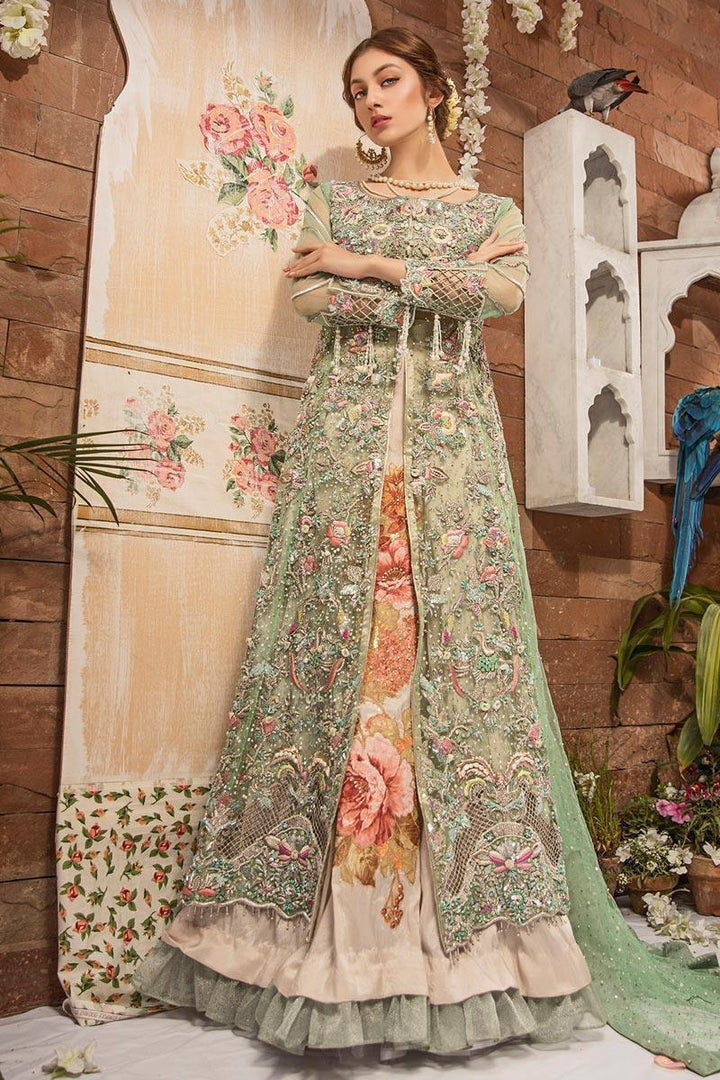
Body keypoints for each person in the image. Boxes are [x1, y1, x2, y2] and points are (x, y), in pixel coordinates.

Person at [132, 27, 720, 1073]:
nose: (371, 100)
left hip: (450, 479)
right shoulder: (338, 202)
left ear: (435, 90)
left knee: (455, 681)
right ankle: (316, 950)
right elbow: (318, 301)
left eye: (388, 80)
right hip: (344, 473)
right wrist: (419, 276)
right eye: (356, 88)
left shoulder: (490, 215)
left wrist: (371, 265)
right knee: (332, 673)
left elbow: (502, 293)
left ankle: (460, 955)